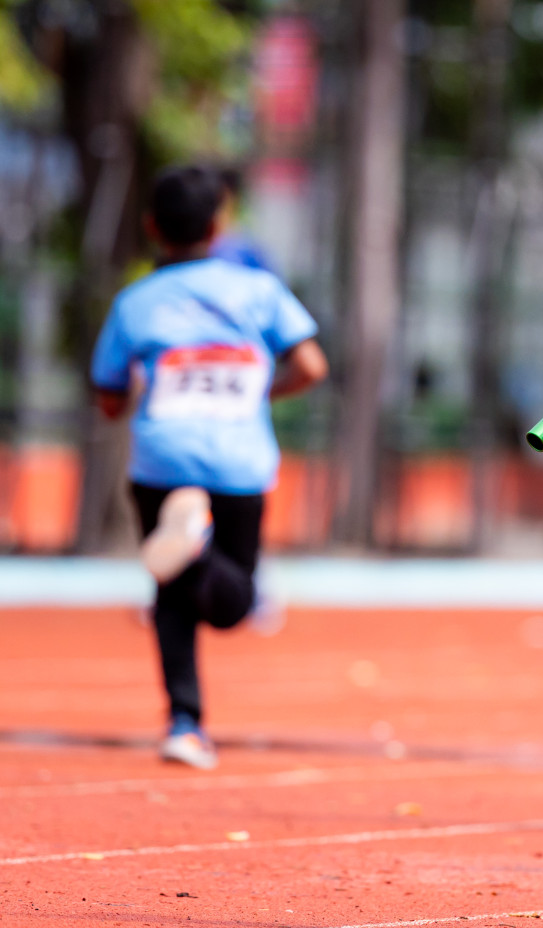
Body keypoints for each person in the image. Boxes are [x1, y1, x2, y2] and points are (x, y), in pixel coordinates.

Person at [91, 165, 327, 769]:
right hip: (236, 460)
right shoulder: (258, 290)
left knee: (171, 598)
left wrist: (148, 386)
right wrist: (257, 391)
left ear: (152, 227)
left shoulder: (134, 302)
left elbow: (109, 397)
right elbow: (311, 365)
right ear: (219, 226)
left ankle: (185, 725)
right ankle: (196, 550)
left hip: (161, 458)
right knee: (234, 603)